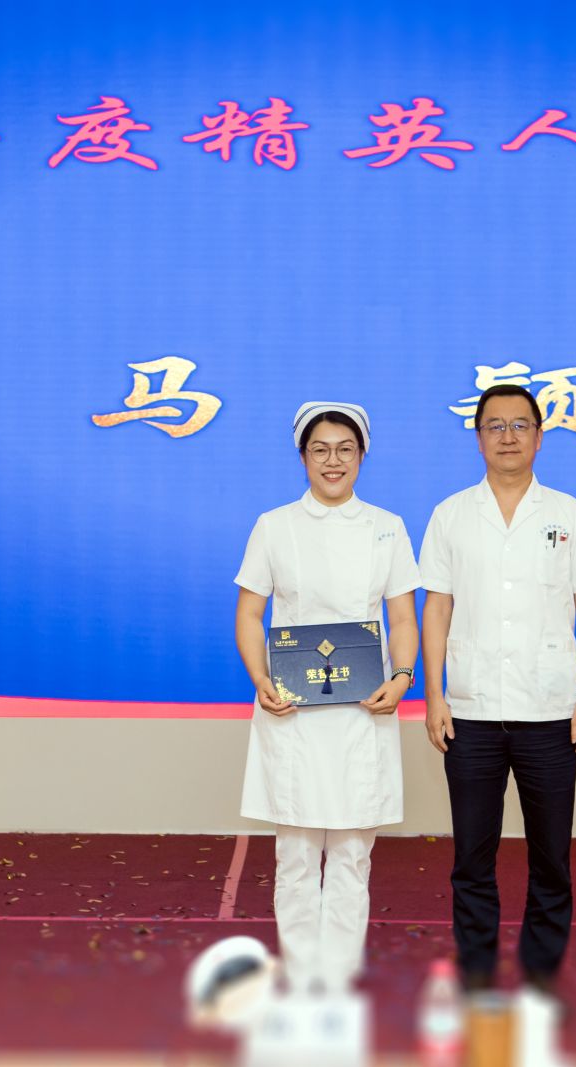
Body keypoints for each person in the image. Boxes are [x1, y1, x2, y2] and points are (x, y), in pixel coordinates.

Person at [418, 383, 576, 996]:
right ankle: (477, 976)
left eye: (520, 425)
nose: (508, 436)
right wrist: (434, 696)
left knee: (551, 859)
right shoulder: (451, 515)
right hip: (470, 712)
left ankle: (540, 978)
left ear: (539, 436)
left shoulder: (569, 514)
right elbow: (437, 609)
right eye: (495, 426)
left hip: (551, 711)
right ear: (478, 438)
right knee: (471, 860)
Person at [233, 401, 421, 993]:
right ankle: (300, 970)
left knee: (352, 851)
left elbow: (402, 616)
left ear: (362, 456)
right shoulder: (275, 526)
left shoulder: (387, 527)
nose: (332, 461)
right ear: (303, 457)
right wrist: (260, 678)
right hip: (293, 710)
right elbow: (250, 611)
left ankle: (336, 974)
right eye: (320, 450)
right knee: (294, 852)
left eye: (345, 449)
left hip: (363, 708)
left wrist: (403, 676)